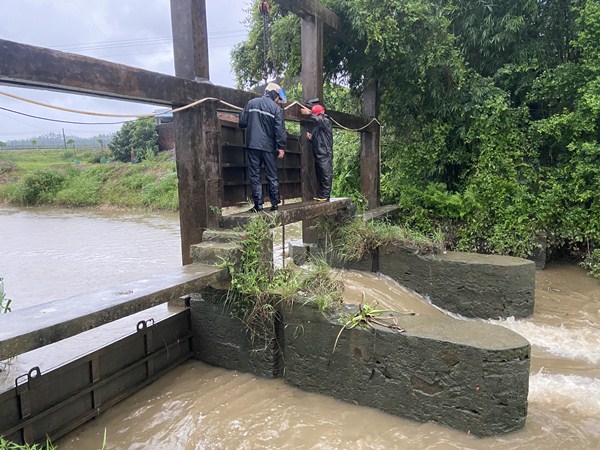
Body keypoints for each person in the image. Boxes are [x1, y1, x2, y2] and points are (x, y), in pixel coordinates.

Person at [239, 82, 287, 212]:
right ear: (274, 94)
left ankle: (258, 205)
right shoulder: (276, 109)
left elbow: (242, 122)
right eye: (278, 97)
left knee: (255, 175)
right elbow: (280, 130)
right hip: (268, 147)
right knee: (272, 175)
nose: (278, 100)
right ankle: (275, 204)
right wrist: (281, 147)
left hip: (253, 145)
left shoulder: (251, 103)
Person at [302, 104, 333, 202]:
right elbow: (316, 140)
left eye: (317, 115)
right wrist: (310, 138)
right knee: (320, 174)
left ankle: (325, 195)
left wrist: (309, 113)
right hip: (318, 153)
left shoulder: (326, 121)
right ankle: (322, 194)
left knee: (326, 174)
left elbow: (319, 121)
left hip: (325, 153)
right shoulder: (316, 127)